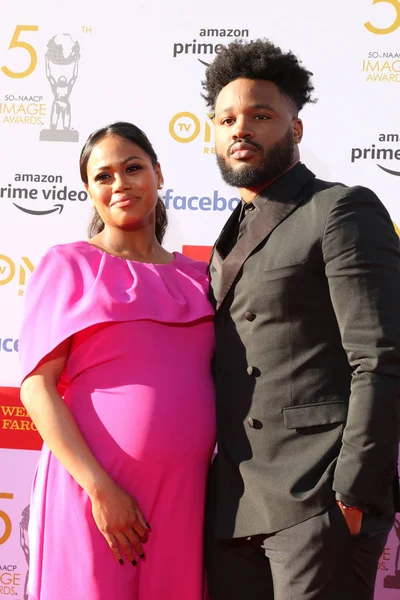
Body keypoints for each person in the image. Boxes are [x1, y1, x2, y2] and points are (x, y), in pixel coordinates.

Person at [202, 39, 400, 600]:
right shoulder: (229, 234)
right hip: (233, 505)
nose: (242, 129)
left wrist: (353, 496)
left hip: (316, 499)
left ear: (296, 128)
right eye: (228, 118)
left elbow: (380, 358)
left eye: (262, 116)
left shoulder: (339, 208)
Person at [19, 121, 216, 600]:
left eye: (132, 168)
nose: (120, 183)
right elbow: (37, 388)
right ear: (89, 191)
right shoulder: (69, 265)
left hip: (186, 497)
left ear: (158, 174)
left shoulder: (202, 276)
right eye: (103, 176)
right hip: (93, 490)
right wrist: (100, 491)